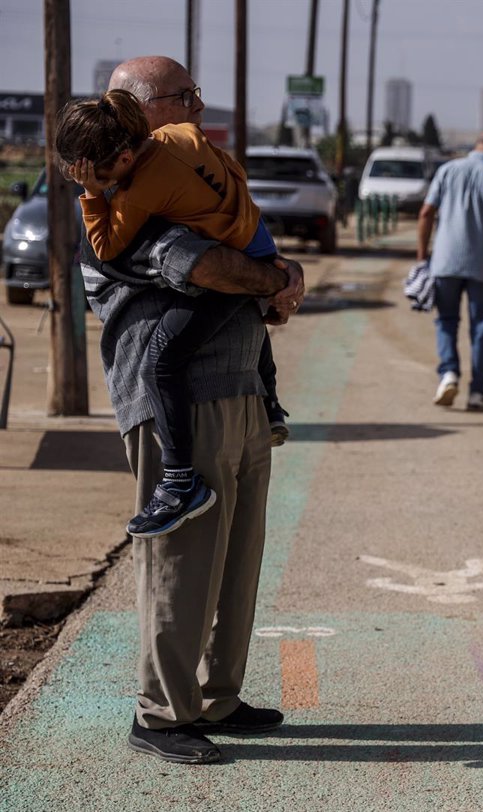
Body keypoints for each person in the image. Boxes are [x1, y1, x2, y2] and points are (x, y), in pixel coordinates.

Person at [82, 55, 304, 765]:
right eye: (183, 96)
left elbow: (239, 250)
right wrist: (276, 278)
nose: (198, 107)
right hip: (180, 404)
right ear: (134, 110)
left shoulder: (182, 174)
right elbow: (206, 266)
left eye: (196, 94)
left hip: (240, 390)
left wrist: (273, 279)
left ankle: (217, 698)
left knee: (235, 564)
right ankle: (161, 714)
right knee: (182, 562)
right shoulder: (124, 199)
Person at [56, 89, 289, 539]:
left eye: (104, 175)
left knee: (161, 360)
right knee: (247, 308)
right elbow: (230, 167)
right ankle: (272, 403)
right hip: (255, 238)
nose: (107, 184)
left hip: (231, 258)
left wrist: (91, 195)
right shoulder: (176, 134)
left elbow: (105, 246)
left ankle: (181, 481)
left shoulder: (138, 191)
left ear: (124, 159)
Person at [417, 131, 483, 410]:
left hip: (445, 263)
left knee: (446, 321)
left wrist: (421, 258)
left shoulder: (447, 170)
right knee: (482, 328)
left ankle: (449, 374)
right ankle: (478, 393)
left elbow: (426, 213)